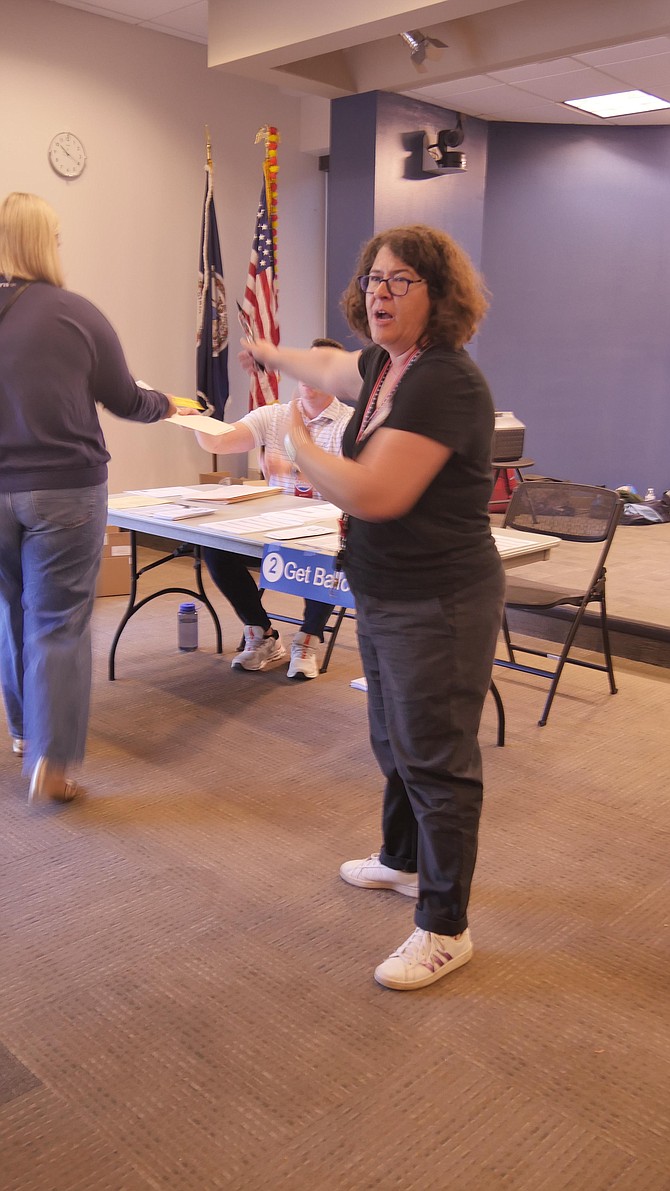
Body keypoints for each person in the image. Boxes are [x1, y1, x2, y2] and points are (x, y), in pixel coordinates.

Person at [240, 225, 505, 990]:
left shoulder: (444, 381)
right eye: (375, 280)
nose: (381, 295)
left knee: (438, 760)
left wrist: (299, 443)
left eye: (402, 282)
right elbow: (328, 362)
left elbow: (374, 491)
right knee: (395, 740)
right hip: (388, 588)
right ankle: (400, 860)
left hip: (440, 598)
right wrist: (270, 353)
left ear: (440, 295)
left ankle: (445, 926)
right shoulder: (392, 366)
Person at [0, 192, 178, 803]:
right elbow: (127, 399)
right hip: (66, 489)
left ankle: (25, 733)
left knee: (13, 609)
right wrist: (171, 404)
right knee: (58, 622)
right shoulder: (74, 313)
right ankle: (51, 762)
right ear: (44, 243)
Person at [194, 338, 353, 680]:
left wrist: (294, 466)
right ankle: (261, 634)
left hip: (323, 536)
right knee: (215, 545)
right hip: (269, 534)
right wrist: (194, 422)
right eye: (303, 368)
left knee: (331, 552)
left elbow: (343, 479)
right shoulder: (275, 414)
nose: (307, 376)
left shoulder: (349, 424)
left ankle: (308, 640)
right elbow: (222, 439)